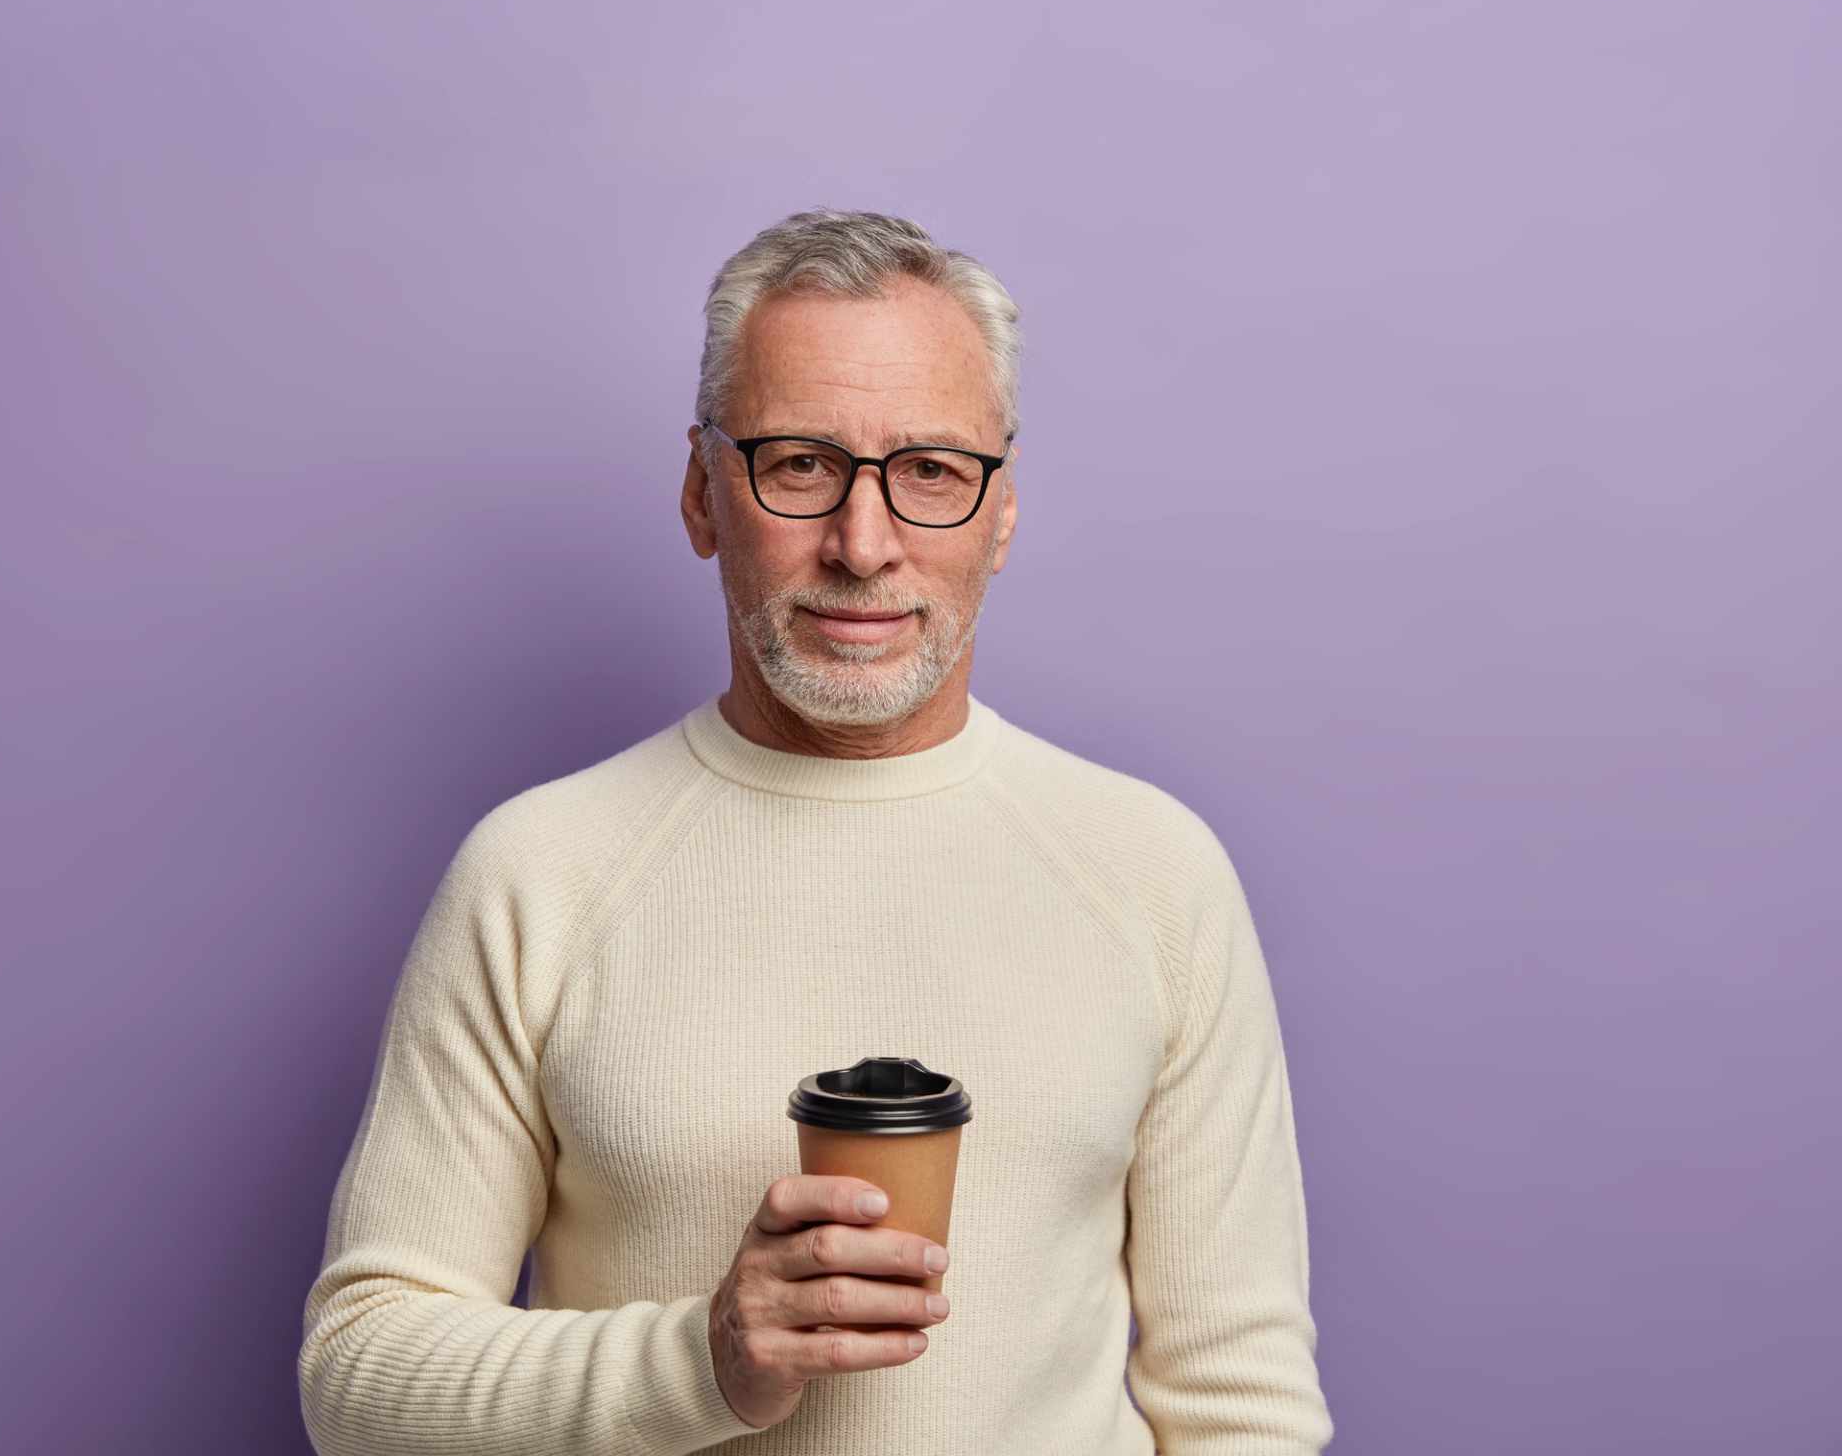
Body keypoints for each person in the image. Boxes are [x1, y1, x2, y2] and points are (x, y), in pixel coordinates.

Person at [298, 206, 1335, 1454]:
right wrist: (707, 1359)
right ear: (701, 494)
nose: (864, 544)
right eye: (800, 464)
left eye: (932, 474)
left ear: (1001, 514)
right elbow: (358, 1377)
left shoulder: (1154, 873)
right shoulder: (538, 873)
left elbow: (1244, 1408)